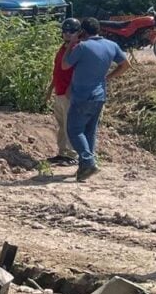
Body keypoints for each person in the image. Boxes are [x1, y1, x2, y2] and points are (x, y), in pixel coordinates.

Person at [62, 17, 130, 181]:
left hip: (82, 96)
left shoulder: (82, 46)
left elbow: (65, 65)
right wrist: (108, 77)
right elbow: (125, 64)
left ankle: (88, 161)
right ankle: (85, 169)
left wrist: (71, 43)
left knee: (74, 130)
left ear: (82, 32)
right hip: (99, 96)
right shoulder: (111, 45)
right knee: (89, 132)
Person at [44, 18, 80, 166]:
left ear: (78, 33)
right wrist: (50, 89)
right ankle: (62, 153)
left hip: (69, 93)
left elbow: (79, 71)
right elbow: (57, 71)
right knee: (62, 124)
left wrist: (71, 88)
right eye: (65, 31)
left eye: (71, 31)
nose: (67, 34)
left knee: (70, 125)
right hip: (59, 92)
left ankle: (73, 155)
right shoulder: (62, 48)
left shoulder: (77, 49)